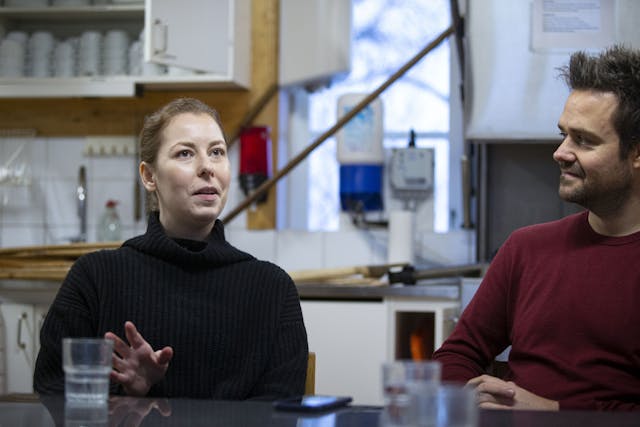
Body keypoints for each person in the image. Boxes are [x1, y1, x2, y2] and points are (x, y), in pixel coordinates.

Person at [34, 97, 308, 399]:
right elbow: (52, 387)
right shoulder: (95, 279)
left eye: (217, 152)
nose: (207, 167)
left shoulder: (272, 289)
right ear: (149, 176)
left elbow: (280, 410)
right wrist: (124, 391)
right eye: (185, 153)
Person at [433, 45, 640, 411]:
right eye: (564, 135)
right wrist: (474, 398)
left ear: (636, 153)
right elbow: (456, 355)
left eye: (584, 140)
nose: (561, 152)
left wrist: (551, 412)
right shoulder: (527, 248)